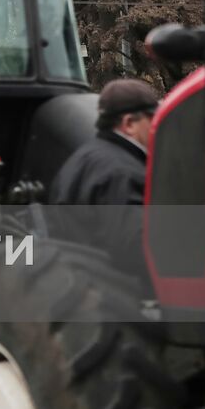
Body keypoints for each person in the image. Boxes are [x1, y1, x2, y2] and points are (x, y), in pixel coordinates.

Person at [50, 78, 159, 278]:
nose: (158, 126)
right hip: (113, 288)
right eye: (153, 118)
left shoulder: (84, 158)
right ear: (129, 124)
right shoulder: (122, 172)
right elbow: (134, 248)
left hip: (80, 278)